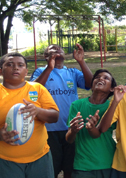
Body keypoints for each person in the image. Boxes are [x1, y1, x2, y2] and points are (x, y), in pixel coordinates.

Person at [30, 43, 93, 178]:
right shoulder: (40, 71)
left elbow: (90, 84)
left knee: (70, 166)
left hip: (71, 127)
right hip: (48, 129)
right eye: (53, 49)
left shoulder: (72, 72)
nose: (58, 50)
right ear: (46, 56)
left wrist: (81, 61)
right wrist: (49, 68)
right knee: (52, 167)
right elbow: (32, 90)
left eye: (60, 48)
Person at [0, 53, 59, 178]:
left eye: (20, 65)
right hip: (6, 161)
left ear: (26, 71)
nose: (16, 68)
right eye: (10, 64)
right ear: (1, 71)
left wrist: (38, 111)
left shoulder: (37, 88)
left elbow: (55, 116)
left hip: (40, 159)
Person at [66, 69, 117, 178]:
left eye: (106, 78)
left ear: (112, 88)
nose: (100, 79)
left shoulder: (113, 107)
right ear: (92, 85)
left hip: (108, 164)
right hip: (83, 166)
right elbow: (69, 139)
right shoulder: (77, 105)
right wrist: (73, 131)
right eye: (97, 77)